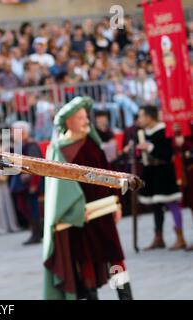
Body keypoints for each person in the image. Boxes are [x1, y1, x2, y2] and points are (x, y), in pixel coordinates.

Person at [43, 97, 133, 300]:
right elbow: (59, 188)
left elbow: (109, 174)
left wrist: (116, 203)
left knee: (116, 260)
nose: (86, 122)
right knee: (87, 264)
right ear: (69, 122)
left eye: (86, 117)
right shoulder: (59, 150)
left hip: (104, 213)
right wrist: (74, 211)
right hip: (80, 218)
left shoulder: (92, 143)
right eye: (81, 118)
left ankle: (126, 297)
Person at [137, 105, 185, 250]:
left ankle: (180, 237)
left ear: (149, 117)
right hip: (151, 172)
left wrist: (150, 147)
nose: (139, 119)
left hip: (164, 173)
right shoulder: (143, 132)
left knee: (172, 203)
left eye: (141, 116)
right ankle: (159, 237)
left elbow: (167, 154)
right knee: (156, 206)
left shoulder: (164, 130)